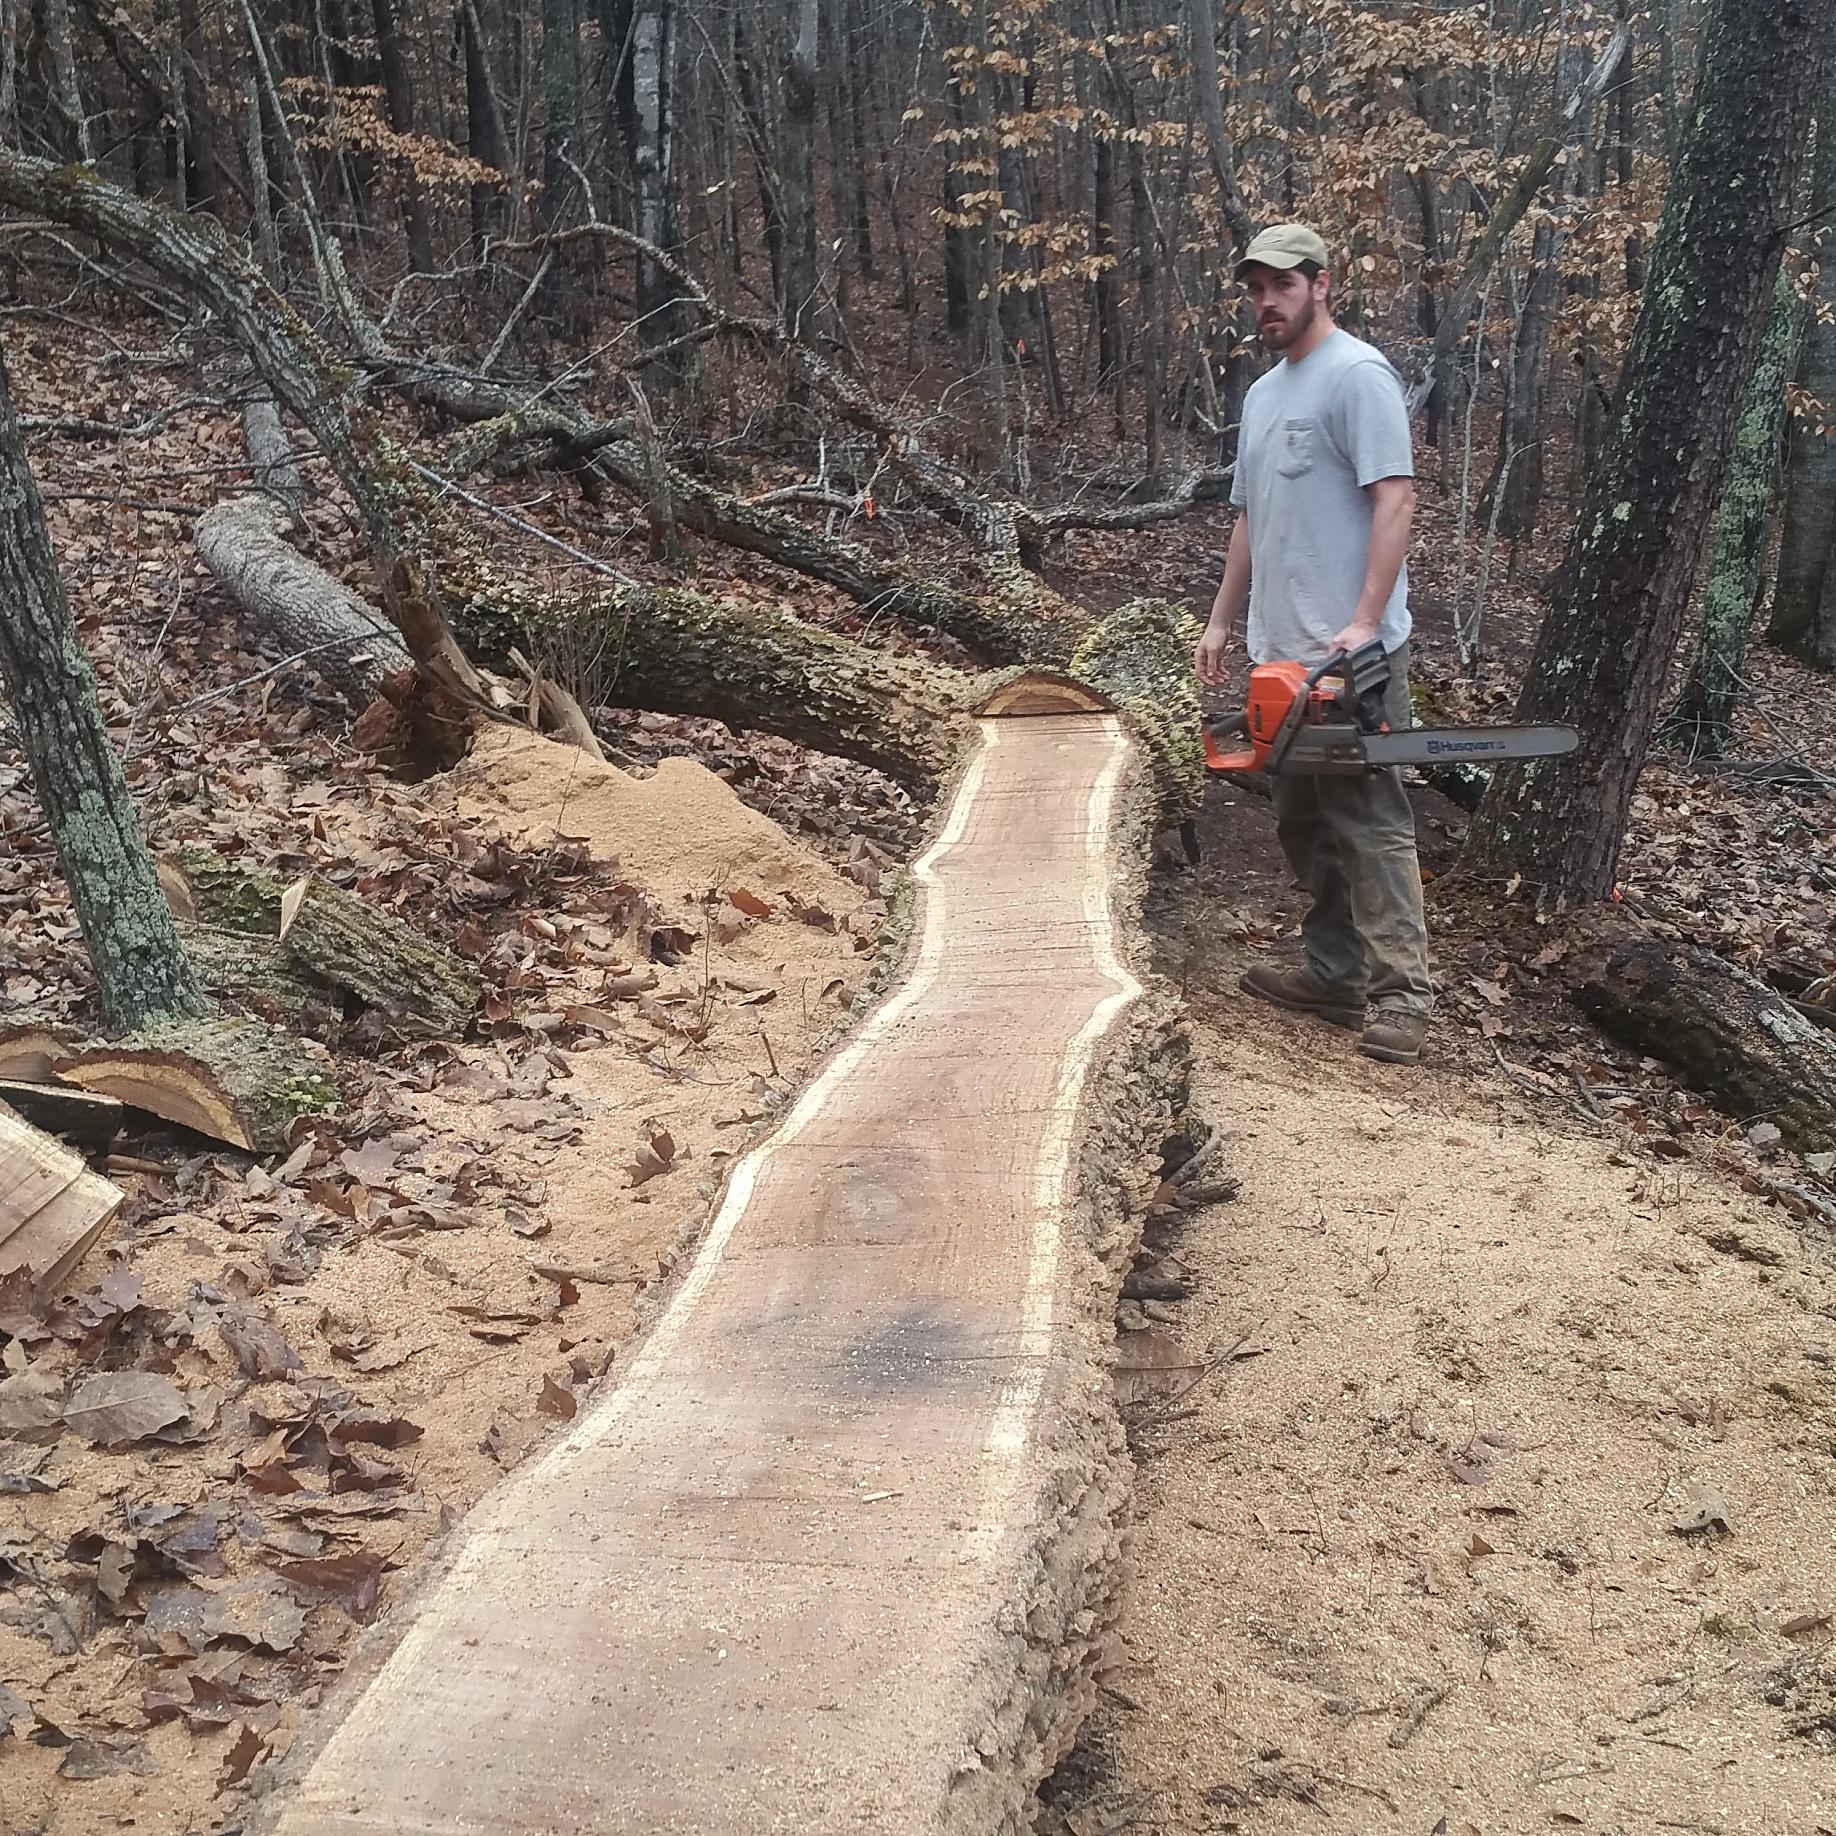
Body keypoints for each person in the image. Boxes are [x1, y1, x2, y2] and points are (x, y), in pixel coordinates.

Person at [1194, 223, 1434, 1065]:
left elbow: (1396, 498)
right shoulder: (1264, 395)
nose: (1268, 301)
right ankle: (1334, 974)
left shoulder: (1358, 375)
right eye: (1258, 288)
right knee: (1302, 821)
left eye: (1283, 285)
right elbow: (1250, 517)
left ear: (1321, 284)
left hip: (1348, 653)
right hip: (1280, 653)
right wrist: (1222, 620)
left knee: (1368, 819)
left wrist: (1366, 619)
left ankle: (1404, 996)